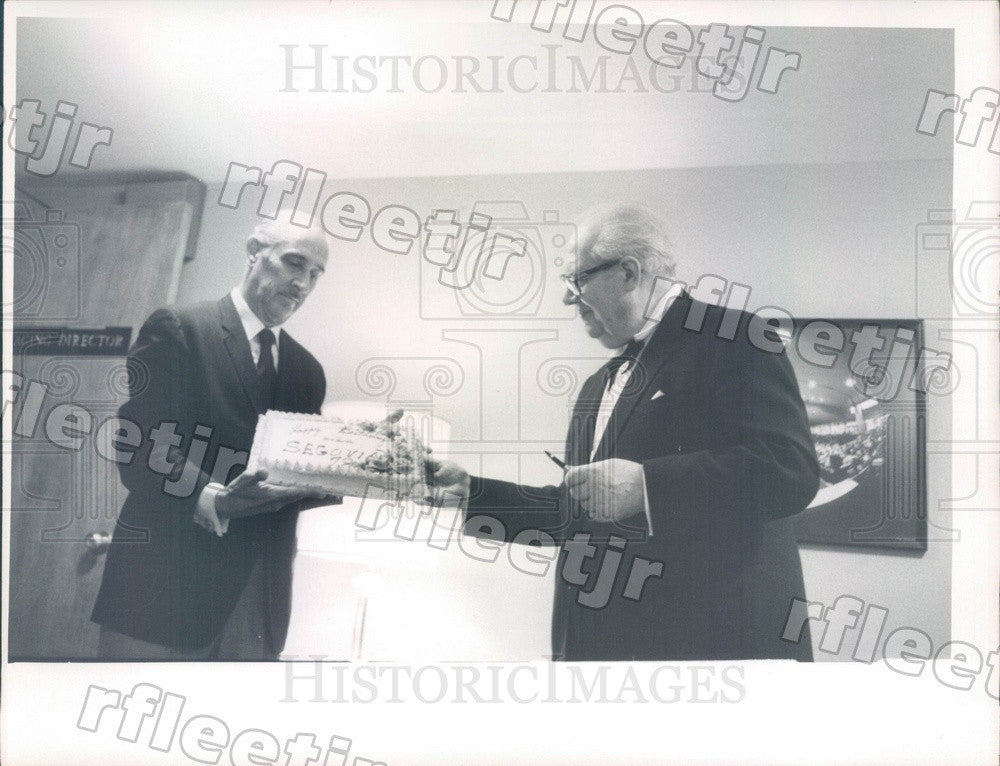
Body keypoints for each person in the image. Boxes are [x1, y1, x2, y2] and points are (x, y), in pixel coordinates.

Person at [428, 203, 820, 661]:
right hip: (598, 659)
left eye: (577, 281)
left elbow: (788, 471)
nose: (568, 299)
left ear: (629, 273)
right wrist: (471, 493)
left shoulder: (737, 337)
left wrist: (646, 486)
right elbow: (572, 511)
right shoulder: (598, 385)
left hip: (706, 664)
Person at [92, 215, 332, 660]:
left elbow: (296, 474)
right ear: (254, 252)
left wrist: (366, 461)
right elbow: (142, 446)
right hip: (163, 589)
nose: (303, 283)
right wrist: (213, 498)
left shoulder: (307, 370)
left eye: (315, 274)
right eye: (294, 263)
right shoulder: (179, 327)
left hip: (258, 599)